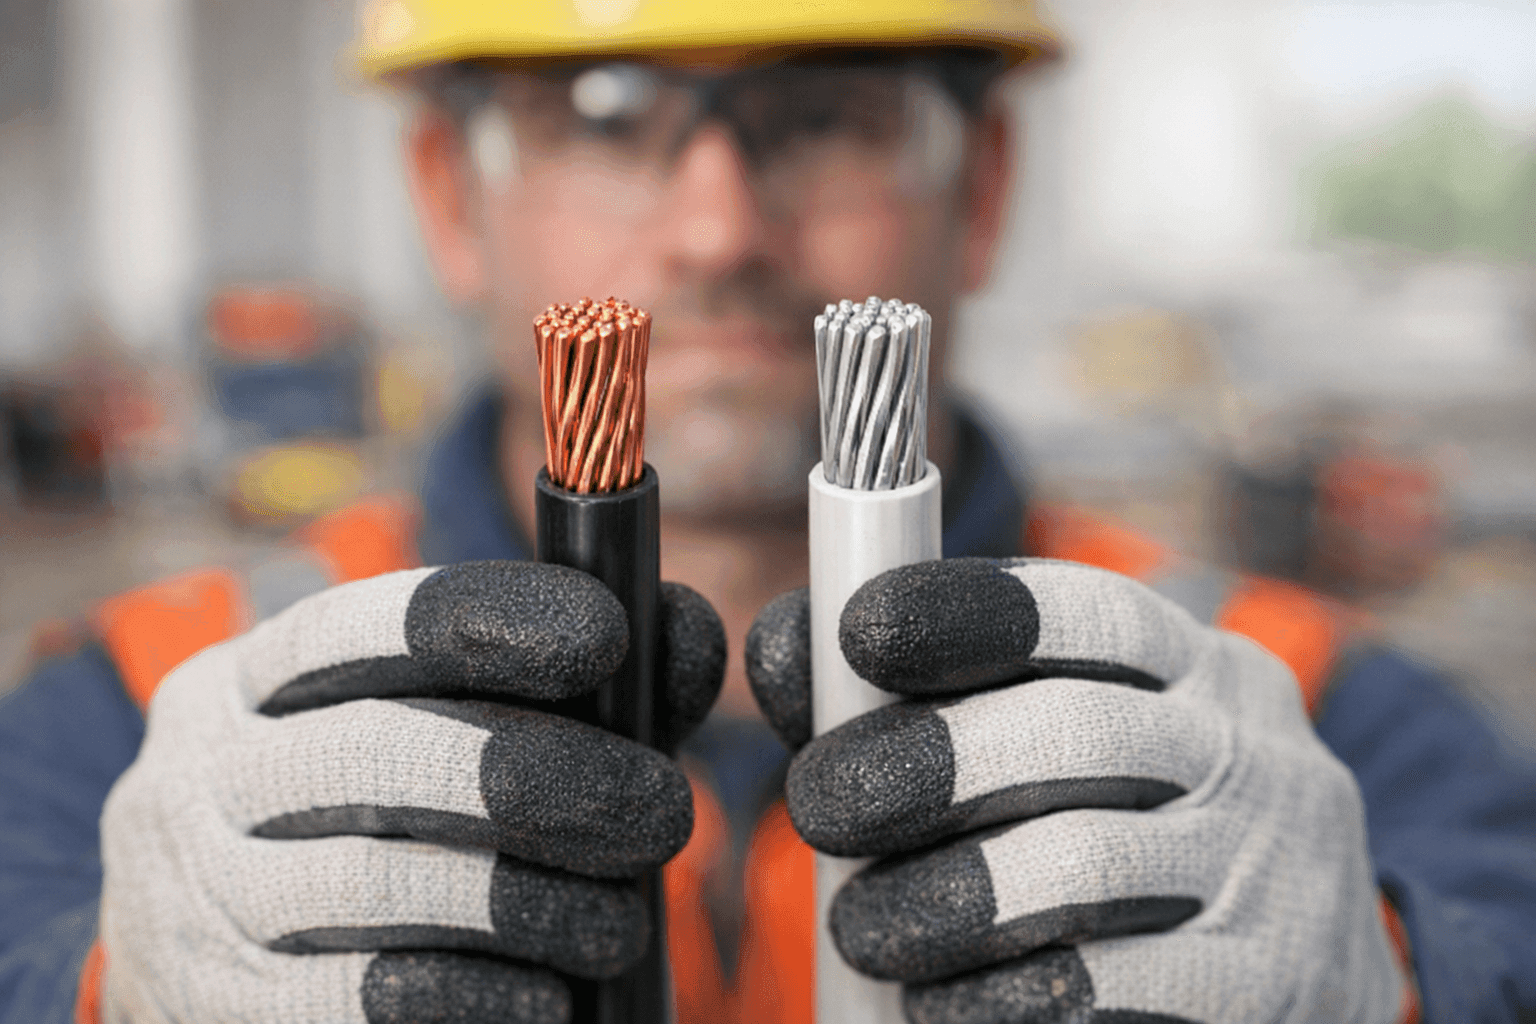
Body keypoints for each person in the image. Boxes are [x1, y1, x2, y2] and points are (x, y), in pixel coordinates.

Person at [3, 3, 1534, 1022]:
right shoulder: (121, 712)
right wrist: (100, 985)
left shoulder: (1331, 730)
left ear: (984, 183)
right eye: (604, 116)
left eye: (823, 114)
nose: (720, 228)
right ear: (445, 200)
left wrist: (1394, 977)